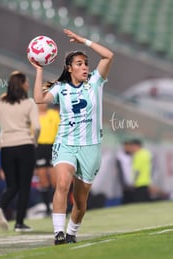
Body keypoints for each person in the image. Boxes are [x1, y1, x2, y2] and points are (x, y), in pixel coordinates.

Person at [31, 28, 113, 245]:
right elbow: (38, 98)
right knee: (62, 184)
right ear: (69, 68)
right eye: (79, 64)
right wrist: (39, 69)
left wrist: (84, 40)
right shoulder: (60, 88)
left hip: (91, 146)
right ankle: (58, 233)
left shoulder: (96, 81)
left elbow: (108, 55)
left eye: (86, 63)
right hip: (65, 144)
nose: (85, 67)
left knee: (80, 202)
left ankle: (71, 232)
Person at [0, 70, 40, 232]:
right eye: (27, 82)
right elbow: (37, 127)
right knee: (25, 186)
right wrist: (34, 141)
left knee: (12, 185)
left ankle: (0, 206)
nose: (28, 85)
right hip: (25, 145)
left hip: (7, 148)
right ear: (22, 84)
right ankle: (19, 223)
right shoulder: (29, 103)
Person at [35, 103, 61, 215]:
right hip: (38, 148)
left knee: (55, 180)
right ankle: (47, 208)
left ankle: (58, 206)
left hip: (52, 146)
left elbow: (60, 131)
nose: (43, 104)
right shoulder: (33, 116)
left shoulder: (54, 114)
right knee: (43, 180)